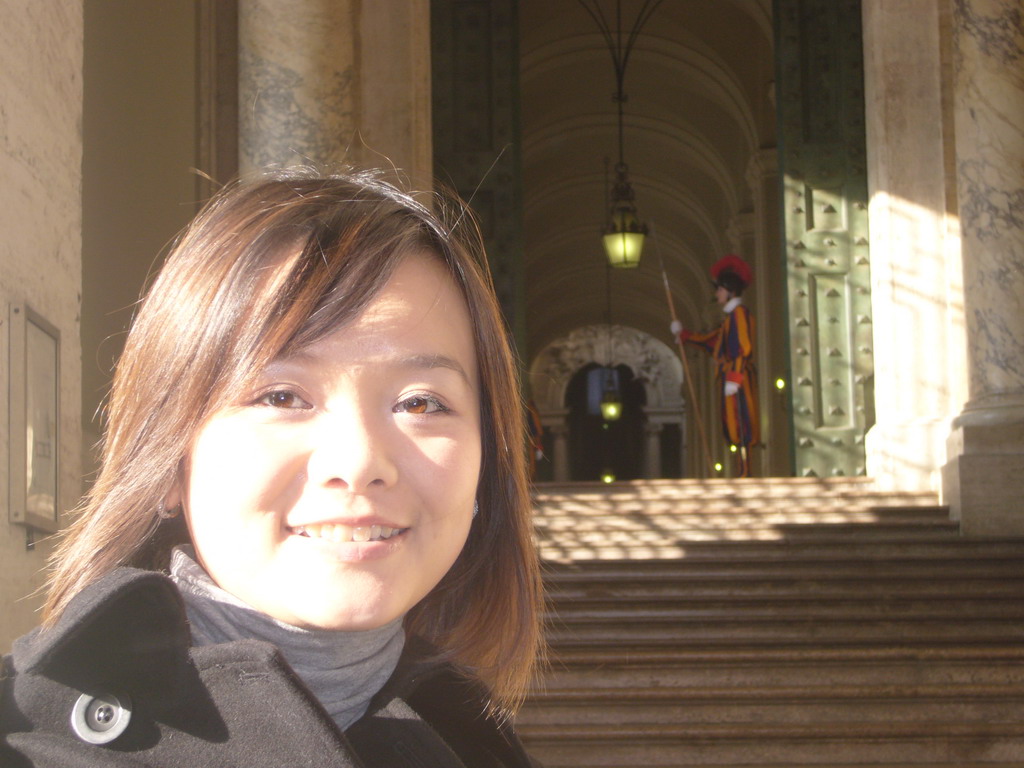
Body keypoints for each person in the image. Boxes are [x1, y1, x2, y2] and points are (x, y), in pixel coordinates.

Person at [1, 170, 545, 767]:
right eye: (280, 397)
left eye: (420, 403)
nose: (359, 462)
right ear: (167, 462)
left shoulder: (479, 747)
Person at [671, 254, 760, 477]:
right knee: (731, 425)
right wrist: (684, 335)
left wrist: (735, 377)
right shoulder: (730, 318)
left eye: (719, 289)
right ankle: (741, 468)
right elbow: (713, 342)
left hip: (737, 378)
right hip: (730, 376)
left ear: (730, 290)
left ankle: (746, 469)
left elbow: (743, 347)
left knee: (742, 423)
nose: (717, 294)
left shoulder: (739, 314)